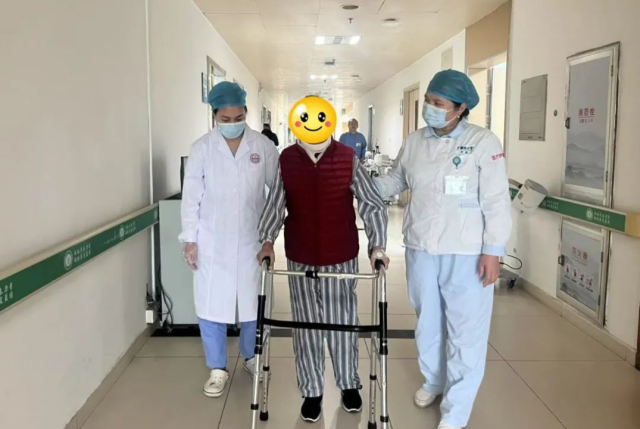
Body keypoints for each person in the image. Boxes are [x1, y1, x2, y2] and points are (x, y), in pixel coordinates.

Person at [375, 70, 512, 429]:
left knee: (466, 330)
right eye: (428, 101)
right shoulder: (415, 141)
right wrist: (362, 185)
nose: (430, 108)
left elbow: (497, 200)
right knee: (428, 322)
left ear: (460, 108)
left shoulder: (483, 142)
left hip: (467, 251)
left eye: (438, 103)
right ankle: (434, 381)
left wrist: (493, 251)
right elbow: (398, 179)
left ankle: (456, 411)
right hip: (421, 246)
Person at [257, 96, 389, 423]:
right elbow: (275, 204)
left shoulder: (347, 158)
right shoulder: (287, 159)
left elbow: (372, 203)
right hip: (300, 254)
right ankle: (312, 391)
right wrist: (267, 241)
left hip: (340, 254)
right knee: (306, 327)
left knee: (342, 323)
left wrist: (377, 246)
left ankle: (348, 385)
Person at [180, 81, 279, 398]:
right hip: (212, 240)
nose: (233, 124)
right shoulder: (202, 149)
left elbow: (277, 193)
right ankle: (217, 368)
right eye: (225, 119)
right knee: (211, 304)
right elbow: (191, 198)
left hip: (252, 239)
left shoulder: (262, 147)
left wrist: (270, 237)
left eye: (238, 118)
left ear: (246, 113)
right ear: (214, 116)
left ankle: (251, 358)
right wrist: (190, 239)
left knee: (252, 303)